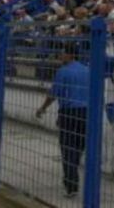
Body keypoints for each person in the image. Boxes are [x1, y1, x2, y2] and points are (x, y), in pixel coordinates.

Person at [35, 44, 89, 199]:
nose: (60, 55)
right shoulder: (87, 71)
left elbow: (53, 94)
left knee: (67, 149)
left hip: (69, 113)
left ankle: (71, 184)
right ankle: (73, 175)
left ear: (70, 55)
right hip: (85, 113)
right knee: (78, 147)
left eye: (63, 53)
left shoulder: (63, 72)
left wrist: (42, 108)